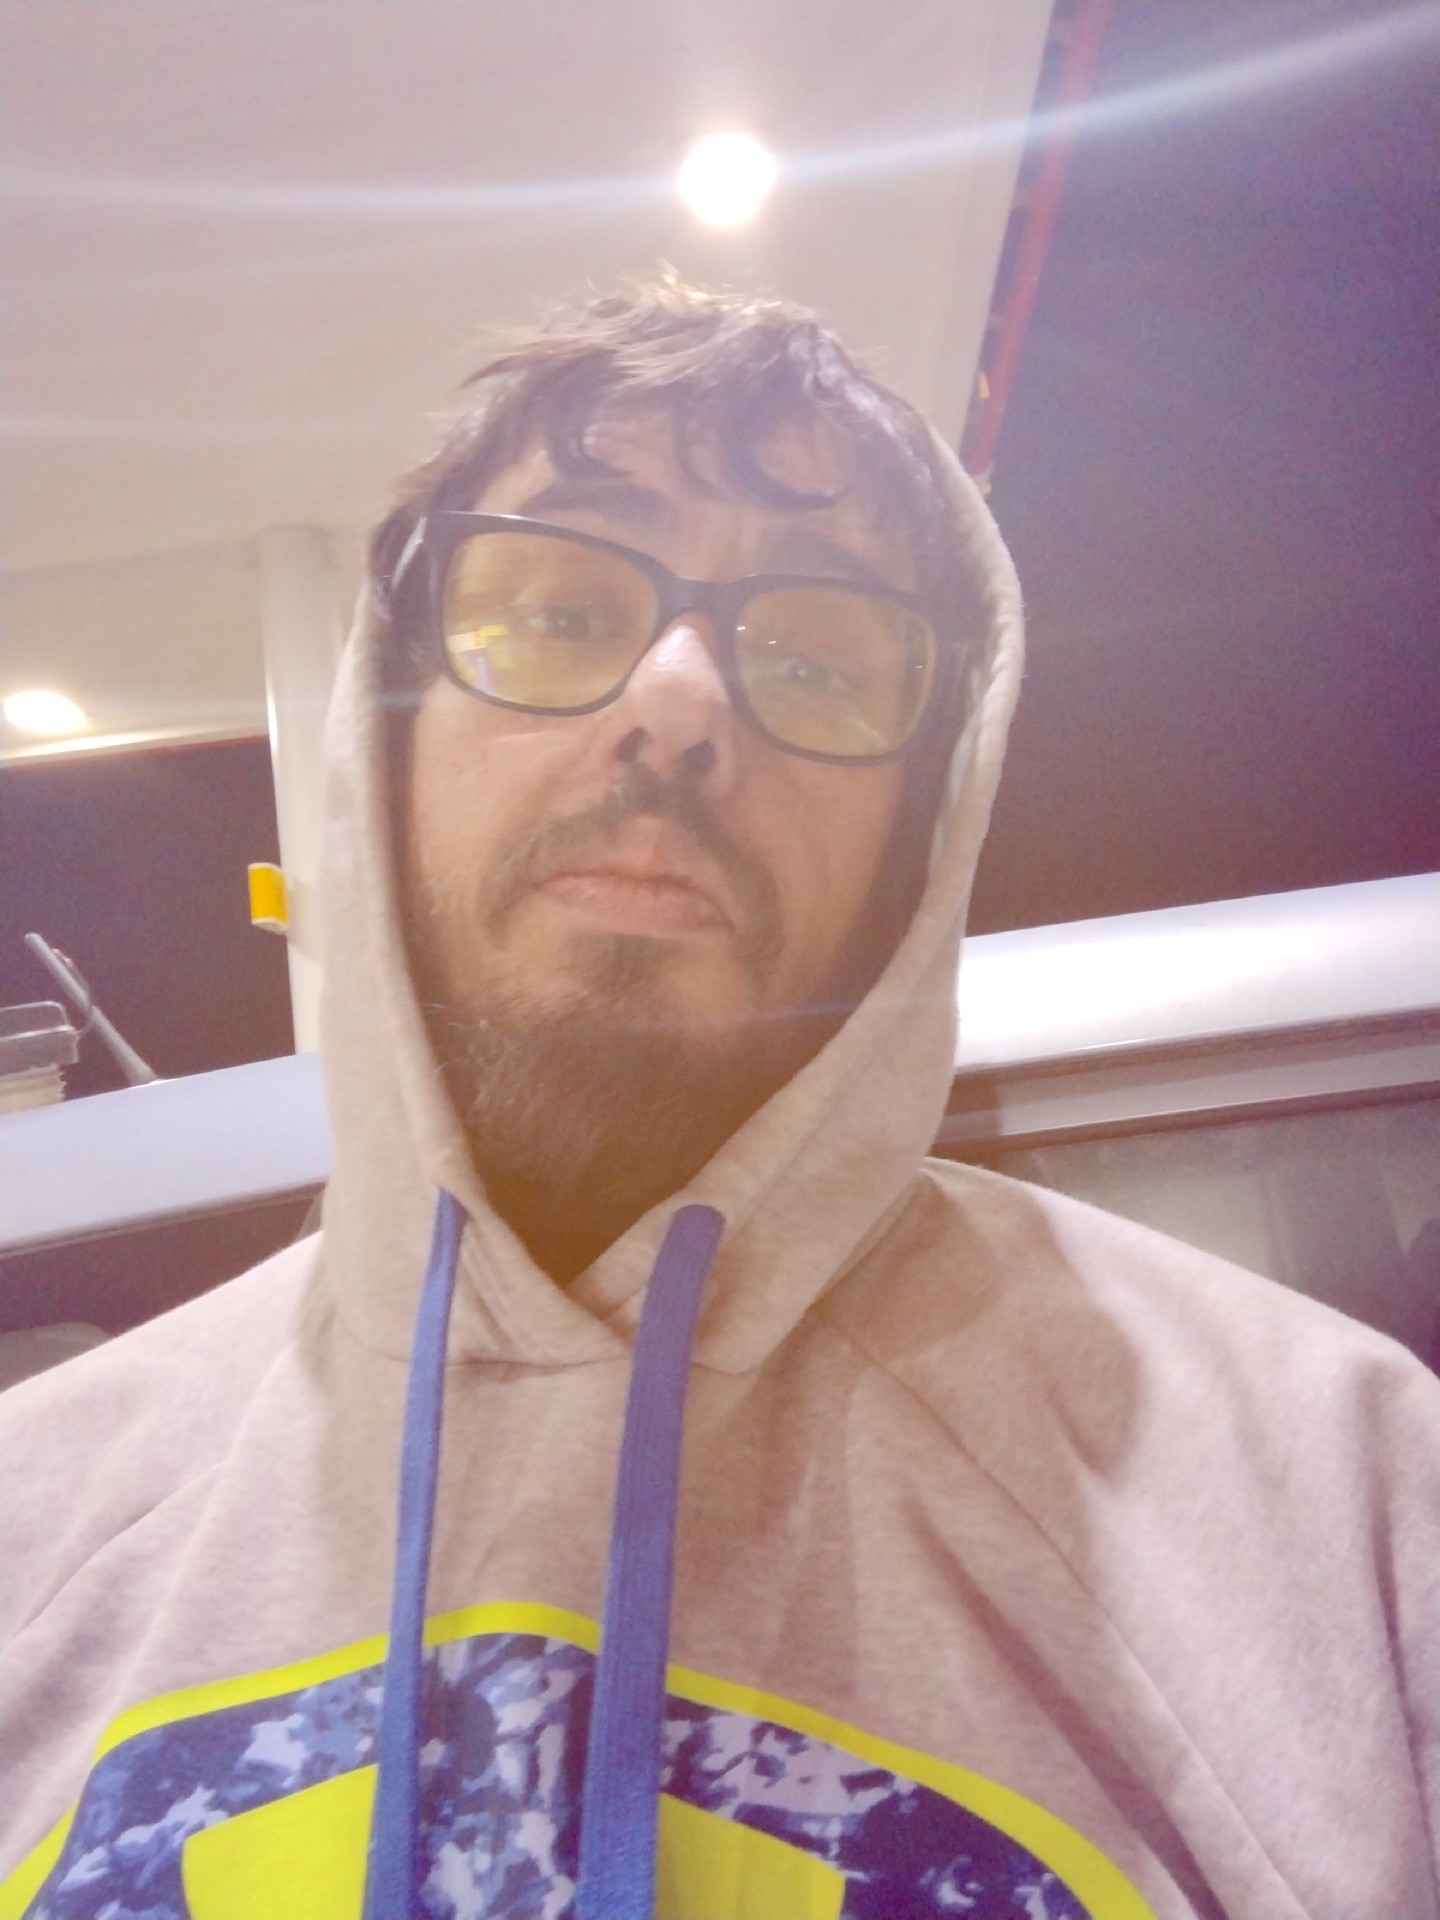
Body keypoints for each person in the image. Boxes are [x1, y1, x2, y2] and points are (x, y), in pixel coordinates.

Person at [2, 281, 1437, 1920]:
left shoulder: (1340, 1497)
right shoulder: (38, 1521)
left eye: (816, 657)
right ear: (383, 730)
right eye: (559, 612)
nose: (676, 703)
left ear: (922, 824)